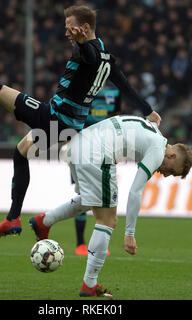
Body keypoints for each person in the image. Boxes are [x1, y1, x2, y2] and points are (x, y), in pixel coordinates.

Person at [0, 5, 161, 238]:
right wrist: (148, 110)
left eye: (70, 27)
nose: (66, 32)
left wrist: (83, 42)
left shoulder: (90, 52)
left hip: (55, 119)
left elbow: (89, 55)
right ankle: (13, 219)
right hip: (67, 125)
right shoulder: (107, 57)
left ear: (84, 28)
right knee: (21, 152)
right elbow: (125, 86)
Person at [29, 115, 192, 297]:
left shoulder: (154, 132)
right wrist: (129, 234)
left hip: (77, 145)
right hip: (97, 154)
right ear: (172, 155)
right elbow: (135, 192)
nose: (165, 174)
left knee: (91, 199)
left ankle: (44, 221)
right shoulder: (157, 151)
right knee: (108, 220)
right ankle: (89, 285)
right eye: (171, 171)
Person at [73, 83, 120, 255]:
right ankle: (80, 244)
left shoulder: (114, 94)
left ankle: (99, 244)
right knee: (83, 196)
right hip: (81, 150)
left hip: (105, 152)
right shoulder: (83, 92)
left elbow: (116, 121)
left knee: (101, 197)